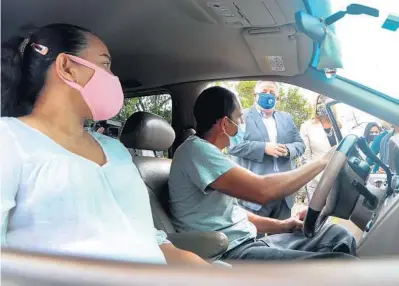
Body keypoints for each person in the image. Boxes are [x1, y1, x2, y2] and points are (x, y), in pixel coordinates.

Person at [0, 24, 208, 266]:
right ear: (67, 68)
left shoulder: (115, 150)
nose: (112, 78)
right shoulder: (9, 139)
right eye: (105, 64)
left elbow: (147, 239)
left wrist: (201, 268)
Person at [168, 86, 356, 262]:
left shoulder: (209, 153)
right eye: (240, 118)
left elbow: (231, 214)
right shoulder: (196, 151)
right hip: (231, 253)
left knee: (337, 236)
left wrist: (283, 225)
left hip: (246, 243)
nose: (243, 123)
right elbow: (263, 191)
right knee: (338, 264)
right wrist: (323, 161)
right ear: (225, 123)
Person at [227, 81, 305, 220]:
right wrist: (264, 148)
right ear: (255, 95)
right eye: (264, 92)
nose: (268, 95)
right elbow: (233, 147)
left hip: (283, 194)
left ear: (277, 98)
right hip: (254, 194)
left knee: (283, 238)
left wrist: (288, 150)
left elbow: (300, 144)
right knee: (255, 239)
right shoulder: (241, 116)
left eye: (272, 93)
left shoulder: (286, 118)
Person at [300, 95, 338, 199]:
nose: (322, 104)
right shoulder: (307, 126)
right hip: (316, 179)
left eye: (325, 100)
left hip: (338, 178)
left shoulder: (340, 125)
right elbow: (305, 157)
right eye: (319, 102)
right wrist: (317, 175)